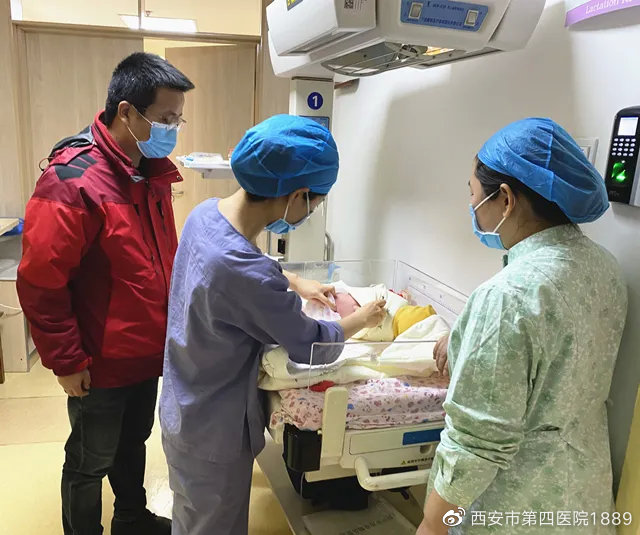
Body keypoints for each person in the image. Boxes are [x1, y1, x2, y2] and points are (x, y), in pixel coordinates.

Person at [159, 114, 387, 535]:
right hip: (213, 430)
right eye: (314, 204)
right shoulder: (246, 273)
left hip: (184, 405)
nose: (310, 212)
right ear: (298, 195)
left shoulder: (204, 215)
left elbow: (241, 267)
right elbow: (311, 344)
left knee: (192, 517)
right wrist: (361, 318)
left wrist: (294, 280)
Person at [418, 118, 628, 535]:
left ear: (506, 199)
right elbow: (557, 355)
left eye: (473, 194)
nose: (472, 207)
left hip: (515, 504)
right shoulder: (602, 267)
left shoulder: (507, 295)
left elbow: (477, 442)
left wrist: (430, 525)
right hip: (583, 495)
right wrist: (462, 339)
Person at [17, 52, 195, 535]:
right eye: (165, 118)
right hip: (98, 359)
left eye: (177, 119)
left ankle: (132, 519)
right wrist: (66, 360)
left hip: (144, 349)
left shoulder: (151, 172)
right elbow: (40, 281)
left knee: (132, 441)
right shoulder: (72, 181)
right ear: (126, 112)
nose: (172, 129)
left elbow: (159, 260)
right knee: (89, 459)